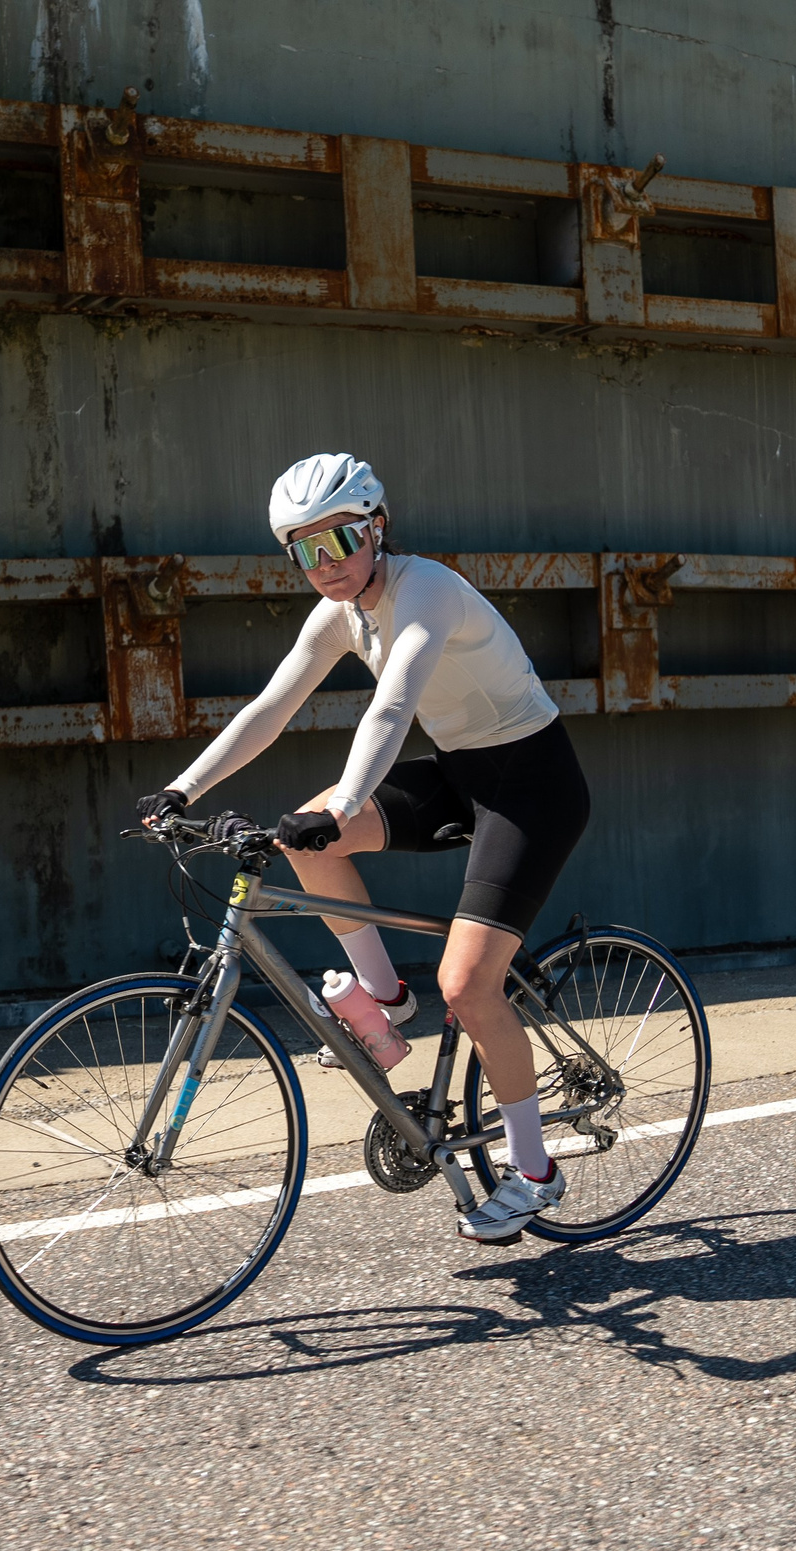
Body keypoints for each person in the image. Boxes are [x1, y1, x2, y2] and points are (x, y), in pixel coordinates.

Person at [134, 454, 592, 1243]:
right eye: (305, 550)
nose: (326, 563)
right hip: (459, 774)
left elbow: (393, 705)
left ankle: (534, 1172)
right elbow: (270, 708)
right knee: (303, 837)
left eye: (340, 540)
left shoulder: (428, 590)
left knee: (467, 985)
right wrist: (182, 788)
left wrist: (346, 804)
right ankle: (386, 1001)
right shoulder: (339, 614)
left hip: (533, 786)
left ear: (378, 527)